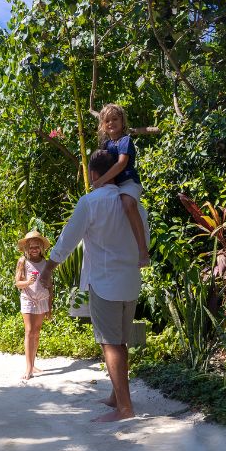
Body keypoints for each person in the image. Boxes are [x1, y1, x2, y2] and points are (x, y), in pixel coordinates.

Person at [41, 150, 149, 422]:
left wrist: (48, 269)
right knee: (120, 341)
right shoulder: (134, 203)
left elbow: (67, 240)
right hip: (130, 281)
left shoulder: (91, 202)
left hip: (105, 283)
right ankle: (116, 397)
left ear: (93, 174)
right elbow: (144, 239)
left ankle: (125, 408)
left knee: (110, 344)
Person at [95, 103, 150, 268]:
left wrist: (101, 180)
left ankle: (143, 250)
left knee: (127, 202)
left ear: (122, 121)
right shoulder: (105, 146)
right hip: (112, 186)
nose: (111, 123)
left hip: (128, 183)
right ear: (103, 125)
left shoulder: (125, 141)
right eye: (107, 121)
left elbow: (121, 164)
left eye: (115, 119)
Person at [14, 231, 53, 380]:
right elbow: (18, 283)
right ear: (26, 248)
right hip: (28, 299)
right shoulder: (23, 261)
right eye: (31, 247)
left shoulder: (45, 263)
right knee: (29, 331)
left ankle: (33, 363)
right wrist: (28, 282)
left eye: (37, 246)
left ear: (41, 248)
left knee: (36, 332)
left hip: (42, 299)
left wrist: (49, 305)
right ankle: (28, 367)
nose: (34, 249)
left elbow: (50, 286)